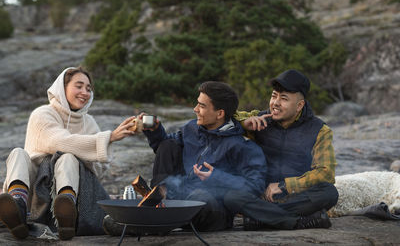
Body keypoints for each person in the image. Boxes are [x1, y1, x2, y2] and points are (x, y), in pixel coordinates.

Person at [0, 67, 136, 240]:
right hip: (36, 192)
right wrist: (110, 137)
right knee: (18, 153)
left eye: (88, 88)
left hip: (75, 193)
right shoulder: (42, 114)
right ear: (62, 89)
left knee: (68, 158)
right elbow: (58, 141)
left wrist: (81, 159)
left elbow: (100, 170)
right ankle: (17, 207)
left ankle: (66, 211)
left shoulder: (90, 123)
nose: (84, 92)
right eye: (78, 86)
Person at [143, 81, 267, 231]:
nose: (195, 109)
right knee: (168, 144)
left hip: (214, 208)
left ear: (220, 113)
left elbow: (255, 186)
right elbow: (162, 149)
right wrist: (154, 131)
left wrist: (216, 176)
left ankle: (155, 221)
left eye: (202, 106)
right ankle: (159, 200)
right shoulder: (191, 128)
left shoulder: (242, 146)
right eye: (197, 104)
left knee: (200, 197)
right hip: (182, 195)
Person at [224, 69, 339, 230]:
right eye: (273, 96)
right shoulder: (261, 118)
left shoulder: (319, 130)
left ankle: (261, 219)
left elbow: (325, 173)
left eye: (284, 98)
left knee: (329, 192)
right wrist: (244, 124)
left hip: (295, 197)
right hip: (259, 195)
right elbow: (223, 118)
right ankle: (298, 222)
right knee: (231, 196)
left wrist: (285, 185)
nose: (275, 103)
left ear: (299, 105)